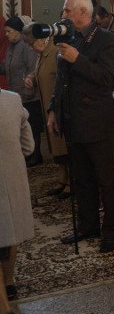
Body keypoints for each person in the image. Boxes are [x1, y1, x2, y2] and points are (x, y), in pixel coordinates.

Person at [47, 0, 114, 253]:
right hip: (73, 121)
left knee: (106, 180)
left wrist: (77, 59)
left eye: (67, 10)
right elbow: (61, 80)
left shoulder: (106, 41)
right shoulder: (69, 38)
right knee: (81, 180)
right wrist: (52, 110)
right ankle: (88, 225)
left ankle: (112, 230)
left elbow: (106, 79)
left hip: (97, 122)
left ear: (83, 12)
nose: (64, 14)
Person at [0, 87, 34, 314]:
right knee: (9, 230)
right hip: (12, 181)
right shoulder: (13, 100)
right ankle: (9, 280)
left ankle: (5, 312)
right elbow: (29, 145)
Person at [22, 25, 70, 199]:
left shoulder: (56, 51)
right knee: (55, 146)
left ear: (42, 39)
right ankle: (62, 179)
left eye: (31, 44)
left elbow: (62, 79)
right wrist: (30, 78)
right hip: (48, 109)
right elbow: (40, 72)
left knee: (63, 146)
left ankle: (71, 182)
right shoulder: (42, 53)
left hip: (59, 108)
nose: (30, 48)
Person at [2, 16, 40, 166]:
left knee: (32, 127)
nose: (6, 35)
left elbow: (32, 68)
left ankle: (36, 155)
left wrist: (28, 93)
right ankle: (27, 154)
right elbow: (6, 66)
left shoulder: (26, 46)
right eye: (5, 32)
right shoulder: (11, 46)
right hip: (17, 94)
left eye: (8, 31)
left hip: (28, 94)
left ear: (18, 32)